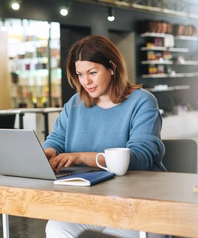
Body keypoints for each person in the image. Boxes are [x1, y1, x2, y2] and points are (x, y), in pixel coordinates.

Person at [42, 35, 166, 238]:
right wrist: (47, 153)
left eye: (92, 72)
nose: (86, 81)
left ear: (112, 67)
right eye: (80, 74)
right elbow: (57, 139)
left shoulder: (142, 102)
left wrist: (82, 157)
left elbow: (140, 157)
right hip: (90, 202)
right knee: (56, 227)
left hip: (137, 204)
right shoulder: (75, 104)